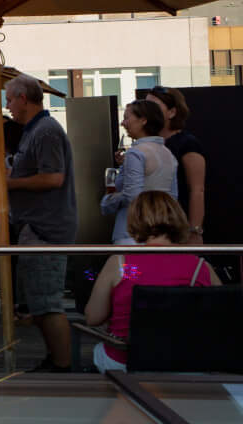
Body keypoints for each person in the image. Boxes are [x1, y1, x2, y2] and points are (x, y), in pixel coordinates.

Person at [85, 191, 212, 373]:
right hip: (185, 363)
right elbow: (220, 317)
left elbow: (92, 317)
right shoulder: (199, 267)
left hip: (125, 362)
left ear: (134, 219)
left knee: (100, 351)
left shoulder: (122, 264)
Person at [5, 73, 77, 372]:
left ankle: (62, 366)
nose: (8, 106)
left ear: (23, 98)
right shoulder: (36, 131)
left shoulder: (45, 132)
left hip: (46, 229)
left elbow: (53, 177)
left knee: (48, 303)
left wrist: (8, 184)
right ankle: (56, 360)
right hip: (38, 226)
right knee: (41, 301)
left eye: (9, 100)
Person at [103, 97, 177, 245]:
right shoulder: (167, 153)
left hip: (131, 233)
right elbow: (173, 196)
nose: (123, 123)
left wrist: (108, 200)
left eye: (126, 118)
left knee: (130, 268)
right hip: (162, 234)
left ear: (143, 120)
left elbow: (132, 196)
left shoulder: (136, 153)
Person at [148, 87, 207, 245]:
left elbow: (197, 189)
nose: (147, 111)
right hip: (152, 228)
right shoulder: (151, 143)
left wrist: (194, 231)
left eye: (153, 106)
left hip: (177, 229)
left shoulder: (187, 143)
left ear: (172, 112)